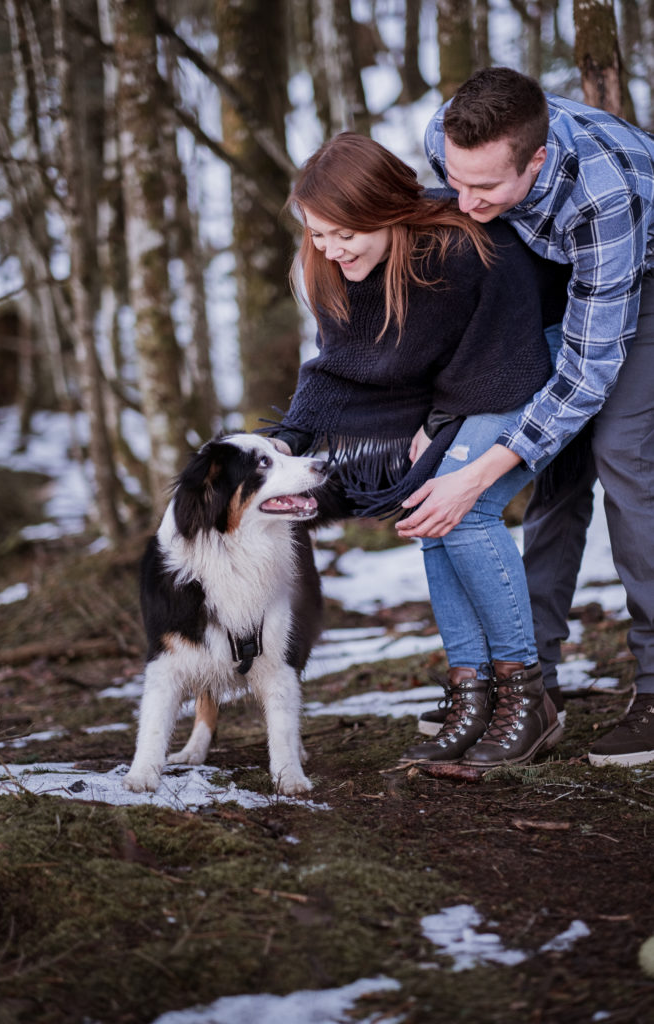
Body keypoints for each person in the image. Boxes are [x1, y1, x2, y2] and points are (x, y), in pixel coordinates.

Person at [269, 131, 568, 773]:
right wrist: (288, 438)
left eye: (342, 233)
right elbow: (341, 365)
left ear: (383, 209)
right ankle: (472, 691)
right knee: (432, 520)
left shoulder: (463, 247)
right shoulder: (339, 265)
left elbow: (499, 348)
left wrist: (441, 420)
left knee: (463, 510)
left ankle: (527, 694)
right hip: (465, 382)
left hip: (528, 356)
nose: (328, 248)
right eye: (317, 234)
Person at [411, 66, 654, 768]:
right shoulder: (449, 142)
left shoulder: (603, 196)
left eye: (483, 189)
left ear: (537, 159)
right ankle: (530, 680)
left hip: (636, 280)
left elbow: (586, 376)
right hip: (550, 278)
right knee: (556, 471)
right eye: (456, 180)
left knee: (622, 456)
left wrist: (486, 467)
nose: (463, 198)